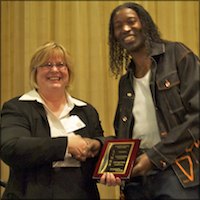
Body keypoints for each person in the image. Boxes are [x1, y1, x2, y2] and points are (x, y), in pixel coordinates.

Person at [100, 2, 199, 200]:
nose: (125, 28)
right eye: (118, 26)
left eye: (131, 21)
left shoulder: (177, 55)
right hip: (137, 177)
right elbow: (124, 135)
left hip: (178, 171)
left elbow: (197, 116)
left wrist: (155, 157)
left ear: (144, 23)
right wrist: (102, 152)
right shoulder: (125, 81)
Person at [0, 41, 105, 199]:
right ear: (35, 72)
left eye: (61, 64)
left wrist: (105, 164)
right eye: (47, 64)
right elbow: (11, 147)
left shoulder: (86, 110)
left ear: (68, 72)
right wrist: (66, 145)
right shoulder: (17, 108)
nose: (54, 69)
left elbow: (98, 150)